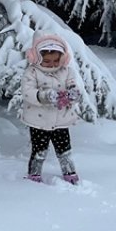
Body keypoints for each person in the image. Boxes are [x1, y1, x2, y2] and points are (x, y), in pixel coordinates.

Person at [20, 33, 81, 184]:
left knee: (64, 149)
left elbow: (72, 84)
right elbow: (27, 92)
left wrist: (73, 92)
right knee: (39, 149)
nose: (52, 65)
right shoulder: (32, 72)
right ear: (36, 58)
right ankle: (34, 173)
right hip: (39, 121)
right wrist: (44, 96)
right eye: (47, 61)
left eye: (56, 61)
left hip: (61, 120)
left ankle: (69, 171)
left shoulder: (66, 72)